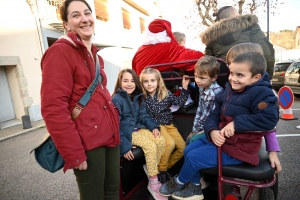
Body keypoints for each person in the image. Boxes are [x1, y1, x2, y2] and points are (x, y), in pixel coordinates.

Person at [159, 52, 279, 199]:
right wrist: (212, 130)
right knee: (189, 148)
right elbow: (214, 114)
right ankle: (195, 186)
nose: (233, 79)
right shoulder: (229, 89)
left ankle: (179, 182)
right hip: (221, 138)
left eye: (240, 75)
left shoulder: (261, 94)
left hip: (239, 148)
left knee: (194, 156)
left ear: (256, 78)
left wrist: (236, 124)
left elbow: (269, 119)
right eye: (232, 73)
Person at [40, 0, 120, 199]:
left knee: (113, 192)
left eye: (87, 13)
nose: (84, 19)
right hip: (87, 142)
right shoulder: (59, 52)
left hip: (110, 135)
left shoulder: (95, 55)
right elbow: (53, 109)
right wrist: (74, 153)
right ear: (66, 24)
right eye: (76, 15)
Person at [111, 69, 167, 200]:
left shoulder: (137, 97)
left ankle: (150, 168)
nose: (129, 84)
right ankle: (153, 182)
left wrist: (153, 127)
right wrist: (124, 145)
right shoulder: (116, 100)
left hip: (138, 129)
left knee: (160, 141)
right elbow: (114, 126)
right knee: (150, 146)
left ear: (136, 83)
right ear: (120, 82)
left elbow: (143, 116)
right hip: (127, 133)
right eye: (125, 81)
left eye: (132, 81)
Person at [226, 43, 282, 171]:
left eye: (232, 62)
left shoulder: (262, 91)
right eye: (229, 63)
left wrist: (272, 151)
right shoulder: (235, 81)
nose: (230, 67)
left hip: (244, 138)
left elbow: (269, 123)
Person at [140, 68, 189, 184]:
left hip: (169, 125)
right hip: (157, 126)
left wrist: (185, 87)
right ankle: (162, 171)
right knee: (170, 144)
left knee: (183, 148)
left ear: (158, 81)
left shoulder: (165, 93)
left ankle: (162, 167)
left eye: (152, 80)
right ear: (142, 83)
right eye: (146, 81)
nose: (149, 84)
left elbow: (179, 102)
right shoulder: (142, 97)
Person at [200, 6, 275, 79]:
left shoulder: (211, 37)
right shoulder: (250, 26)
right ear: (234, 15)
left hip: (226, 81)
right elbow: (268, 52)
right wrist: (267, 76)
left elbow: (208, 63)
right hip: (251, 78)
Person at [132, 19, 204, 75]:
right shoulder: (169, 48)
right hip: (163, 91)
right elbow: (196, 57)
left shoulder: (139, 51)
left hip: (141, 91)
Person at [186, 55, 223, 145]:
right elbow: (200, 109)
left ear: (214, 78)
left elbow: (209, 116)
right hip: (202, 126)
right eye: (196, 76)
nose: (197, 80)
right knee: (189, 140)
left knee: (191, 141)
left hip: (211, 127)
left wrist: (197, 132)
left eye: (202, 78)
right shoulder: (202, 87)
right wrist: (194, 129)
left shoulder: (215, 94)